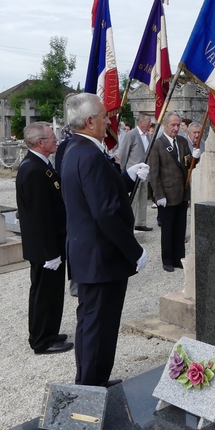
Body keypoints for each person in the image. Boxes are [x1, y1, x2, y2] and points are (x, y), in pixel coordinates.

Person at [60, 93, 149, 387]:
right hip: (101, 256)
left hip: (89, 254)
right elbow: (105, 212)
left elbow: (98, 194)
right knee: (99, 326)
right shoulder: (90, 155)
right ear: (89, 121)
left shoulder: (75, 149)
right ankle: (90, 388)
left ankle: (93, 381)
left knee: (93, 325)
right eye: (102, 116)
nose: (108, 121)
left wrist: (127, 177)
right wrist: (134, 251)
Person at [16, 122, 72, 355]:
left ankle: (49, 331)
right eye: (51, 137)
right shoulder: (33, 170)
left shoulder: (41, 165)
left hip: (52, 243)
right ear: (40, 142)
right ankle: (41, 340)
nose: (56, 139)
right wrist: (50, 252)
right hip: (45, 249)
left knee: (52, 292)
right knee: (43, 293)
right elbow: (38, 216)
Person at [148, 111, 200, 272]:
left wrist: (195, 157)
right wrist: (159, 195)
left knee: (180, 228)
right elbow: (154, 173)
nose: (176, 128)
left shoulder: (182, 141)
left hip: (182, 192)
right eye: (173, 125)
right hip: (167, 194)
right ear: (165, 125)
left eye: (178, 125)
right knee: (168, 229)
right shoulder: (157, 144)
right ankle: (168, 260)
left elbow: (187, 163)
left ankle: (179, 258)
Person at [118, 112, 153, 231]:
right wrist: (124, 170)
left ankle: (141, 222)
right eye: (148, 122)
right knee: (133, 198)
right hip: (134, 172)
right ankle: (130, 223)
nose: (150, 124)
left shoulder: (147, 136)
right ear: (140, 122)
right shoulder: (131, 135)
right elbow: (123, 153)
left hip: (144, 172)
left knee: (143, 197)